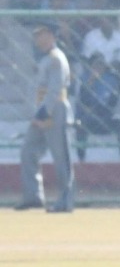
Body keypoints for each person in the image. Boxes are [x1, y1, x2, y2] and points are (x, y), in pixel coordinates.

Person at [18, 22, 75, 212]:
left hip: (54, 109)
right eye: (36, 35)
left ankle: (65, 201)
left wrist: (42, 114)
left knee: (61, 157)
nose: (37, 39)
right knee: (28, 151)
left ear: (51, 35)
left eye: (41, 34)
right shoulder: (46, 58)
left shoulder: (56, 58)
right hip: (42, 110)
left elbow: (55, 89)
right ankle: (33, 196)